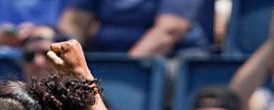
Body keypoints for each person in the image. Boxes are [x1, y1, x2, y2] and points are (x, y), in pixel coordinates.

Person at [57, 0, 209, 57]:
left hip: (167, 58)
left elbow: (169, 31)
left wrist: (124, 68)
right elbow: (74, 22)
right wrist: (65, 56)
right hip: (105, 55)